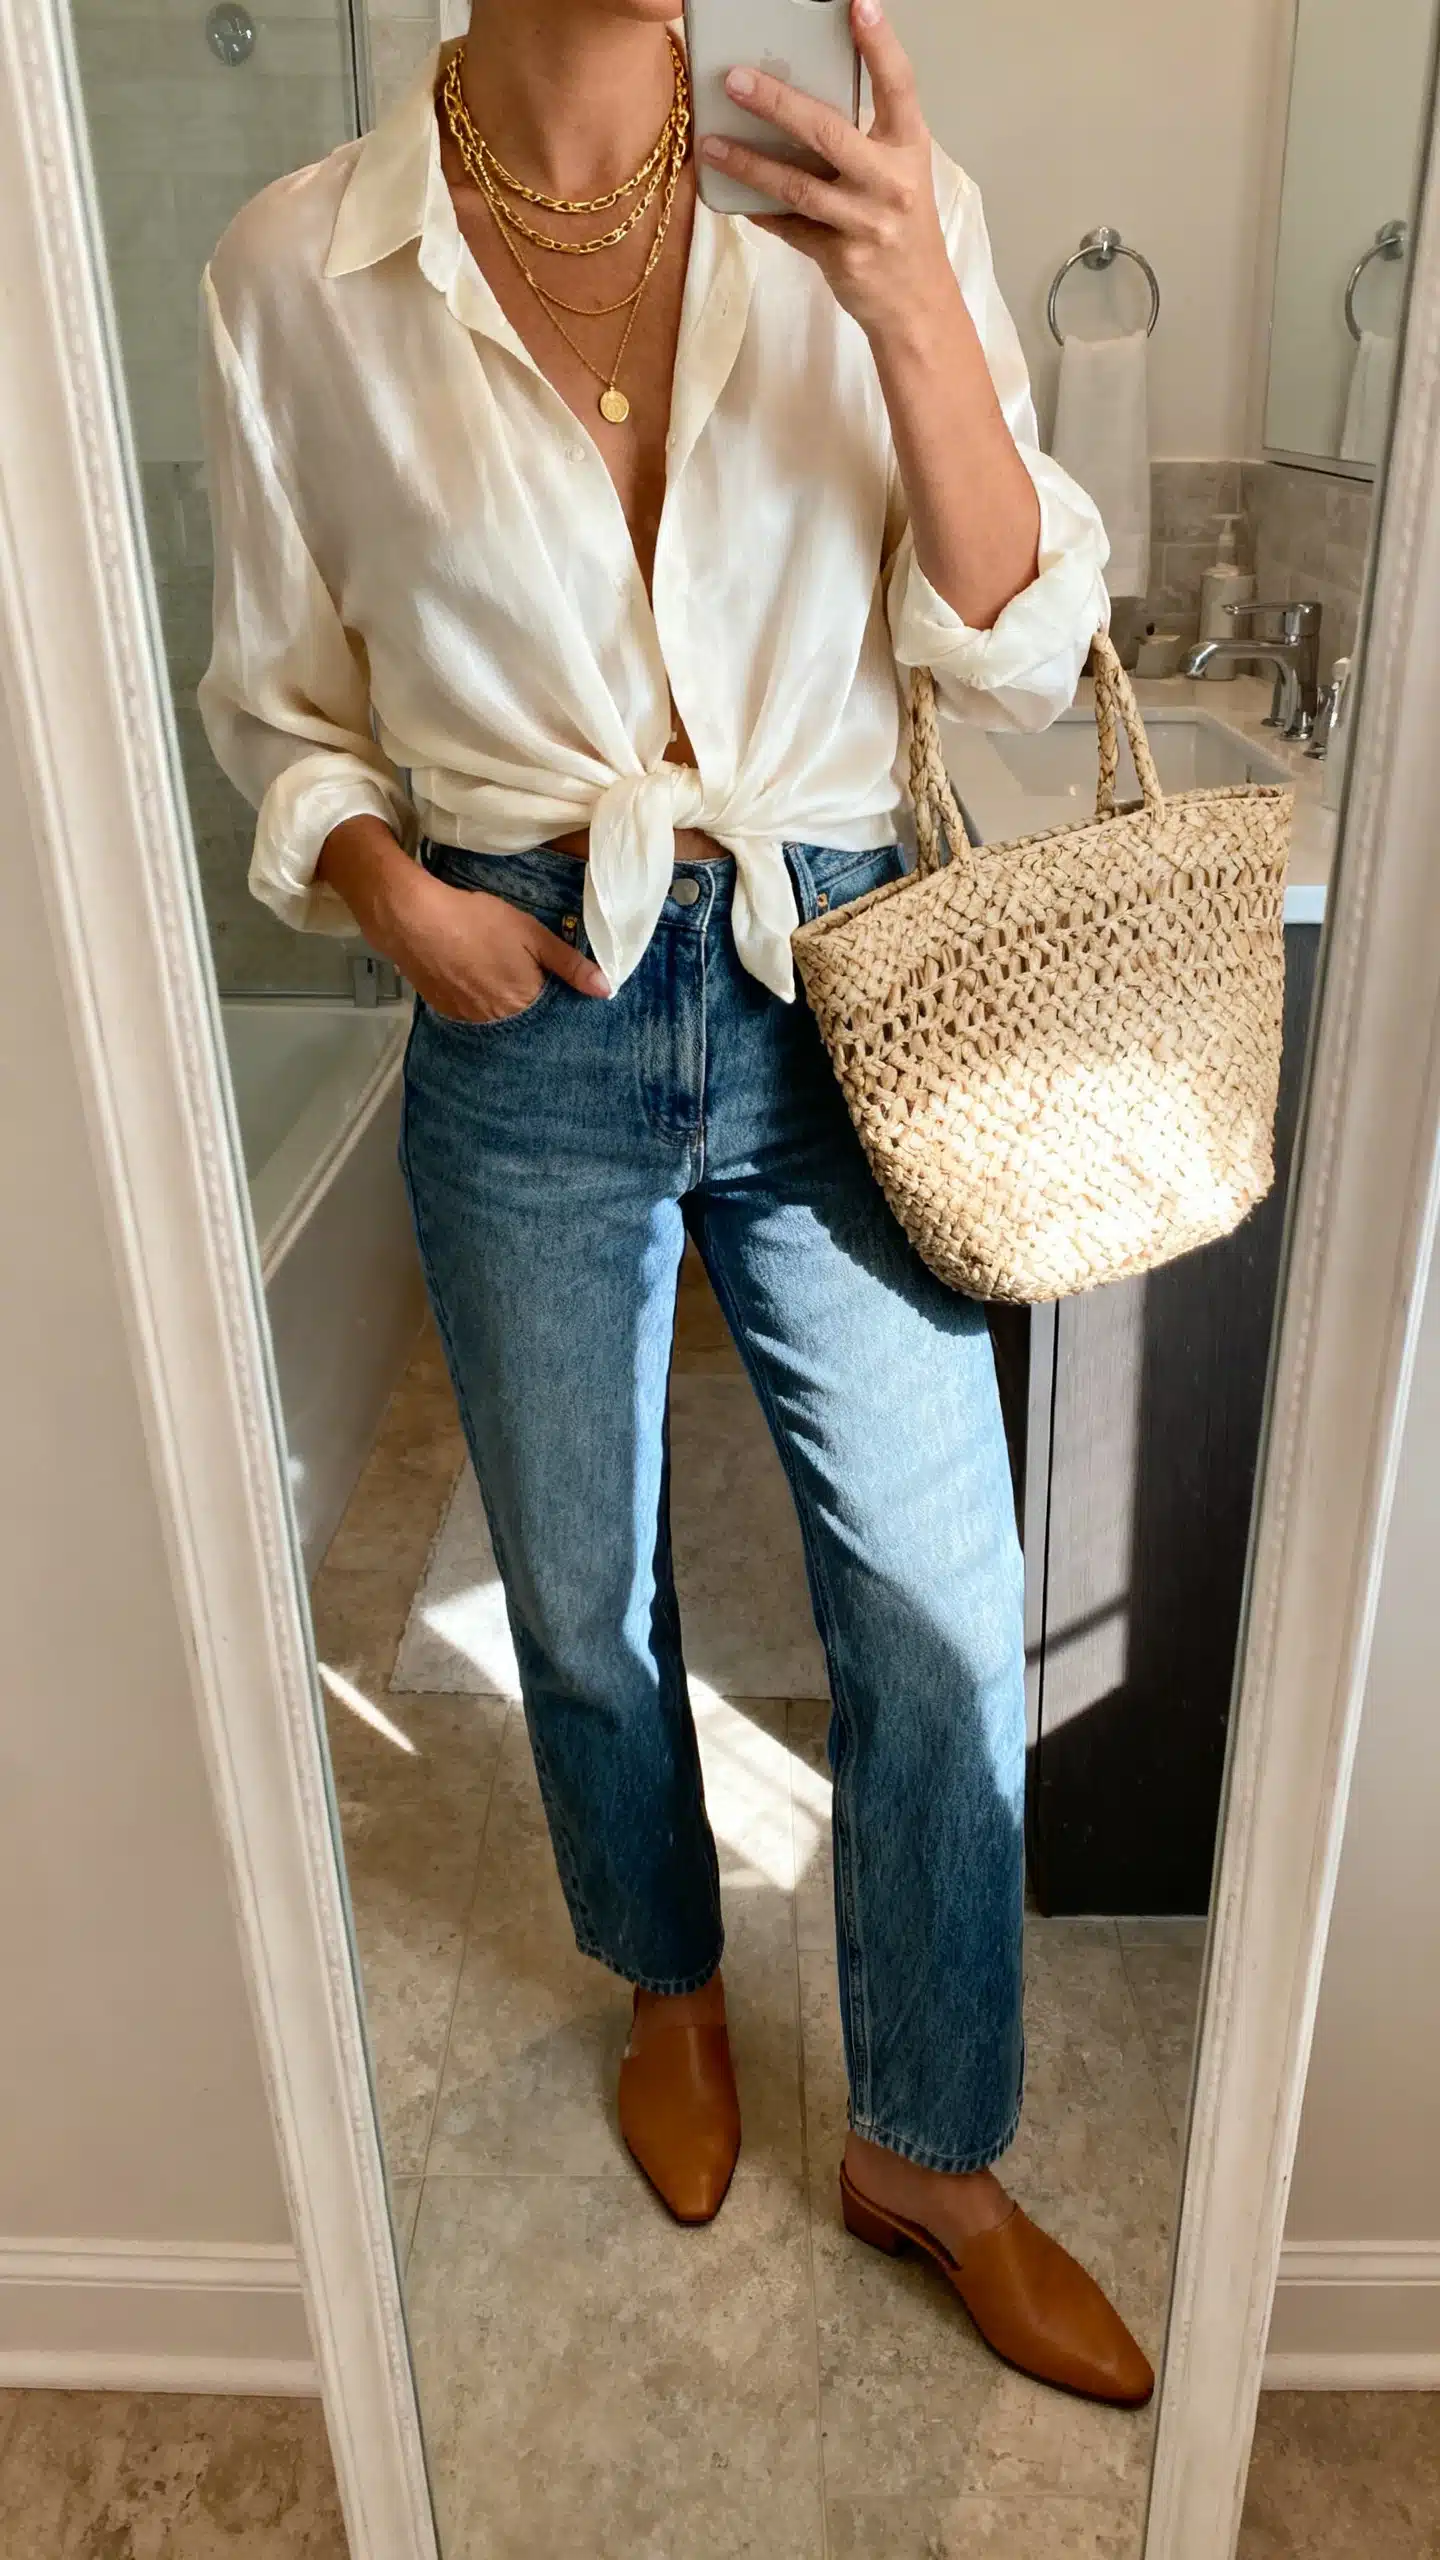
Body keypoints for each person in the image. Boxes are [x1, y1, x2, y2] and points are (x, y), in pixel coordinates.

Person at [199, 0, 1151, 2407]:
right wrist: (395, 894)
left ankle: (930, 2145)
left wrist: (916, 307)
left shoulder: (867, 202)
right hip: (522, 987)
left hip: (840, 976)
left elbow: (1024, 654)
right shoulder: (303, 266)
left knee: (945, 1604)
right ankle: (670, 1977)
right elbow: (280, 704)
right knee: (577, 1586)